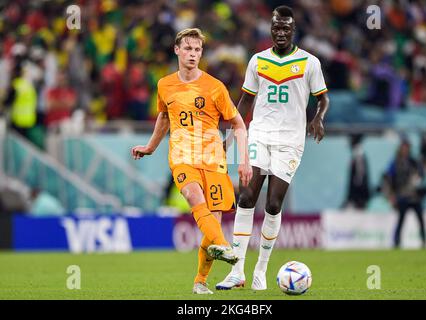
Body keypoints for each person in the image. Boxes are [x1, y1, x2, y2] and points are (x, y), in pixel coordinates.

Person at [131, 28, 252, 294]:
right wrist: (151, 147)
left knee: (213, 224)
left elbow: (238, 124)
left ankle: (200, 281)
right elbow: (164, 117)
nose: (193, 54)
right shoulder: (164, 84)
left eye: (197, 50)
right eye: (188, 48)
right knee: (194, 196)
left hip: (213, 159)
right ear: (177, 50)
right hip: (182, 156)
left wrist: (244, 160)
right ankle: (228, 251)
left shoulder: (214, 87)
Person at [216, 6, 330, 291]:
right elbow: (245, 101)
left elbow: (323, 99)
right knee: (245, 196)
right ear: (271, 29)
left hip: (291, 140)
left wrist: (318, 118)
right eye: (276, 28)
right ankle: (237, 271)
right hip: (259, 135)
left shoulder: (309, 62)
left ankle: (261, 270)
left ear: (293, 30)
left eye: (286, 28)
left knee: (274, 204)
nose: (280, 33)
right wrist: (231, 135)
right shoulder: (257, 61)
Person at [384, 138, 426, 249]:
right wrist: (390, 195)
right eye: (404, 147)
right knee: (401, 220)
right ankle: (396, 242)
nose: (405, 149)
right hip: (402, 197)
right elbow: (388, 179)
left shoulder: (414, 161)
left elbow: (422, 174)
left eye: (407, 147)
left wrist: (423, 168)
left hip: (414, 197)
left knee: (420, 220)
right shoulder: (395, 163)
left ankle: (424, 241)